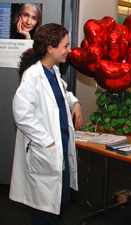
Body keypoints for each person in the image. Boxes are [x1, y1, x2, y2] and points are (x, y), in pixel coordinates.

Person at [9, 23, 83, 225]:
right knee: (46, 208)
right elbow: (22, 114)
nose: (69, 50)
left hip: (60, 147)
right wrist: (47, 141)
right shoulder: (33, 75)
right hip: (47, 148)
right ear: (50, 48)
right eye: (65, 46)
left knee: (61, 200)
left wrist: (74, 102)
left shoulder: (54, 71)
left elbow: (63, 93)